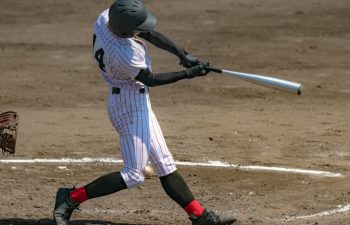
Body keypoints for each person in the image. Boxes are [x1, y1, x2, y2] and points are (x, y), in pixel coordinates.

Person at [53, 1, 236, 225]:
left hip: (136, 101)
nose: (140, 29)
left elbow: (146, 33)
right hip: (128, 106)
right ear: (124, 30)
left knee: (164, 165)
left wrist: (181, 53)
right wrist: (189, 73)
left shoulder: (105, 19)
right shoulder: (123, 55)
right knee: (134, 174)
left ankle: (200, 216)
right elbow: (151, 79)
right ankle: (70, 198)